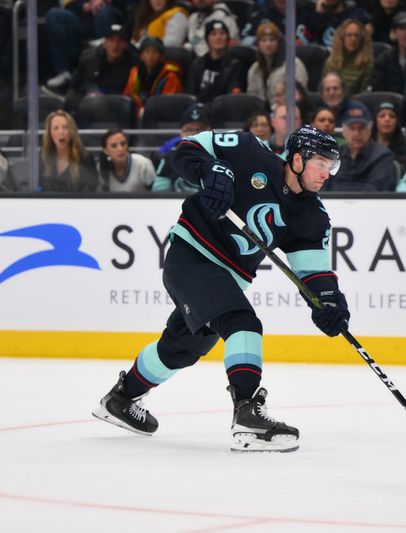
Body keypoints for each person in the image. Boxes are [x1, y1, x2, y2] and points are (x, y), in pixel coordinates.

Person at [92, 125, 350, 453]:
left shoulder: (311, 216)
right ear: (297, 160)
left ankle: (120, 398)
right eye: (322, 164)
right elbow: (185, 150)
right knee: (242, 323)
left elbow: (313, 273)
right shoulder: (247, 150)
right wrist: (210, 169)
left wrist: (328, 302)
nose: (327, 173)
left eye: (332, 165)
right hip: (191, 258)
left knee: (182, 348)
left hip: (226, 280)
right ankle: (247, 413)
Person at [44, 0, 123, 91]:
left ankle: (103, 71)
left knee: (103, 11)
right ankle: (63, 72)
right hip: (81, 18)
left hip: (109, 12)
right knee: (54, 14)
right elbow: (68, 3)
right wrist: (84, 5)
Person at [322, 102, 396, 191]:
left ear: (369, 130)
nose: (356, 133)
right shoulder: (334, 155)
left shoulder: (383, 156)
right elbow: (323, 188)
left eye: (361, 128)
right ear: (344, 131)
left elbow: (376, 191)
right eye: (352, 128)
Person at [65, 23, 136, 111]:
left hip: (116, 109)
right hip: (89, 106)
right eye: (111, 40)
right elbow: (75, 85)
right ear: (104, 43)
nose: (115, 46)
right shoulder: (88, 58)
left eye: (120, 41)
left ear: (125, 45)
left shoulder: (133, 65)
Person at [152, 103, 213, 192]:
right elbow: (159, 193)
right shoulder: (170, 157)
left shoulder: (221, 156)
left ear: (211, 131)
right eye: (189, 130)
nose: (195, 134)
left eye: (202, 129)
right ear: (181, 134)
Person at [246, 21, 309, 107]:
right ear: (258, 44)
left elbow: (300, 97)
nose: (268, 44)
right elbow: (251, 99)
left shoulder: (293, 64)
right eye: (263, 40)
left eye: (272, 40)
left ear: (278, 43)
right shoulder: (254, 69)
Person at [123, 36, 183, 117]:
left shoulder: (170, 76)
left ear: (161, 57)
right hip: (136, 115)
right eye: (147, 52)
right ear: (141, 56)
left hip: (160, 117)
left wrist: (146, 111)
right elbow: (128, 96)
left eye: (155, 52)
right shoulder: (135, 73)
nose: (151, 56)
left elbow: (168, 104)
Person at [40, 110, 99, 192]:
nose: (61, 132)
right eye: (56, 128)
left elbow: (90, 191)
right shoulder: (43, 158)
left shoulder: (85, 159)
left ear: (72, 131)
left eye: (65, 127)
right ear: (50, 133)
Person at [188, 20, 244, 103]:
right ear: (207, 39)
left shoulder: (234, 65)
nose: (218, 37)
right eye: (213, 34)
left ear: (227, 38)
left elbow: (233, 95)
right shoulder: (198, 64)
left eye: (222, 34)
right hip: (200, 108)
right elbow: (191, 93)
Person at [322, 18, 374, 95]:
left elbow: (364, 94)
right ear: (342, 38)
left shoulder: (367, 62)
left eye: (357, 35)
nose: (353, 39)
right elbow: (324, 88)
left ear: (362, 39)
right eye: (349, 35)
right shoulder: (331, 61)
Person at [372, 100, 406, 173]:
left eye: (392, 116)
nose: (387, 119)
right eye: (382, 116)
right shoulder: (365, 147)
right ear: (375, 120)